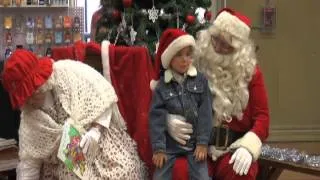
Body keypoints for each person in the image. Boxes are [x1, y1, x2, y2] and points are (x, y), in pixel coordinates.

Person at [1, 49, 147, 180]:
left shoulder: (68, 72)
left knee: (125, 171)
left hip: (98, 139)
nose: (32, 99)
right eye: (27, 96)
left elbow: (102, 97)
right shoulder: (29, 117)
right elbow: (30, 161)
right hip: (64, 160)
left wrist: (95, 130)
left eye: (35, 91)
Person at [166, 8, 270, 180]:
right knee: (180, 171)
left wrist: (249, 146)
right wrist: (168, 119)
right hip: (194, 145)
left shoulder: (251, 73)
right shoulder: (194, 61)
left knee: (240, 172)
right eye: (216, 39)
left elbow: (263, 117)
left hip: (232, 147)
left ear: (239, 49)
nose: (218, 47)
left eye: (226, 45)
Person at [149, 28, 213, 180]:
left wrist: (203, 143)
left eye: (188, 55)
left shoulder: (201, 81)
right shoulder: (162, 86)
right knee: (159, 177)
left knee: (202, 177)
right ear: (170, 58)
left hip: (194, 145)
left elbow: (206, 114)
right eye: (179, 55)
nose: (185, 59)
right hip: (169, 146)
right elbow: (156, 118)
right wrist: (159, 149)